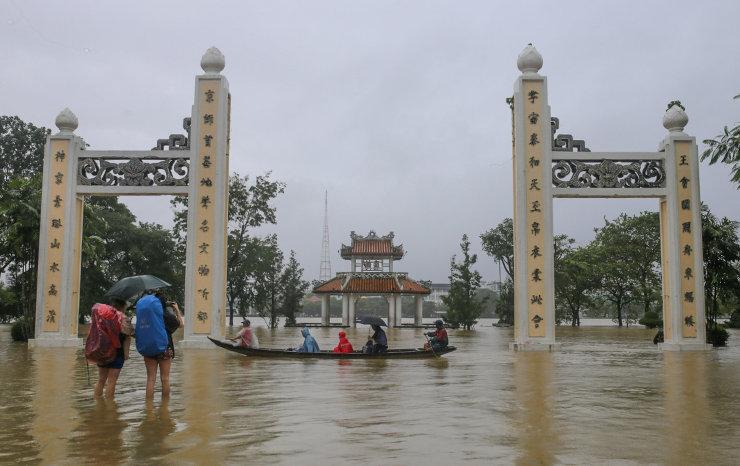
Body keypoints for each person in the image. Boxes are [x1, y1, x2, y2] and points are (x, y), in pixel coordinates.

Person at [136, 291, 184, 399]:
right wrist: (176, 309)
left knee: (150, 379)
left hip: (148, 348)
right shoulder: (167, 315)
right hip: (165, 349)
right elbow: (181, 325)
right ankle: (164, 407)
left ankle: (149, 408)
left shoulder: (147, 316)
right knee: (165, 378)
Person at [93, 297, 133, 398]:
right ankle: (110, 410)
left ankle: (98, 404)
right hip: (117, 353)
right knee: (112, 381)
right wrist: (126, 354)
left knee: (101, 380)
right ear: (122, 306)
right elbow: (129, 336)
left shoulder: (102, 317)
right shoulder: (123, 318)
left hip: (102, 352)